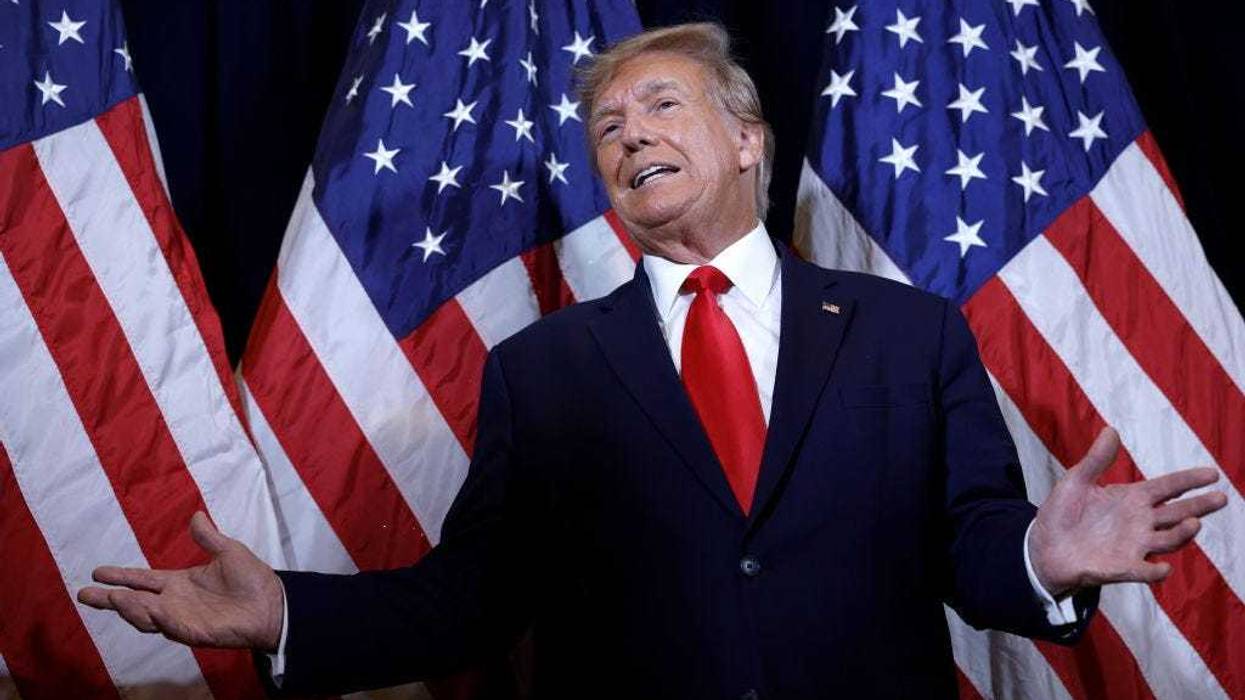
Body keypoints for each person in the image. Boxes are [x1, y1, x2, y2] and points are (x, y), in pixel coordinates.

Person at [80, 23, 1227, 698]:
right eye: (609, 131)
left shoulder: (907, 332)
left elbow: (968, 548)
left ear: (745, 139)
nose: (629, 136)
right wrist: (284, 613)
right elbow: (469, 602)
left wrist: (1040, 552)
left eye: (660, 107)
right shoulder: (547, 371)